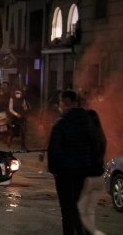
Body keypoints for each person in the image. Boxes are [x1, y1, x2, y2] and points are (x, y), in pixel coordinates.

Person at [47, 90, 95, 235]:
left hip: (65, 174)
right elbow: (97, 146)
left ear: (65, 104)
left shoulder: (60, 125)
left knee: (67, 210)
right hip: (85, 173)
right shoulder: (89, 122)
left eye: (61, 103)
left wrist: (55, 171)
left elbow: (54, 152)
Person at [77, 109, 107, 235]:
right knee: (90, 210)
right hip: (99, 178)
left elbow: (83, 158)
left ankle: (93, 232)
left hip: (88, 177)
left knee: (80, 209)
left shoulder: (87, 138)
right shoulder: (101, 136)